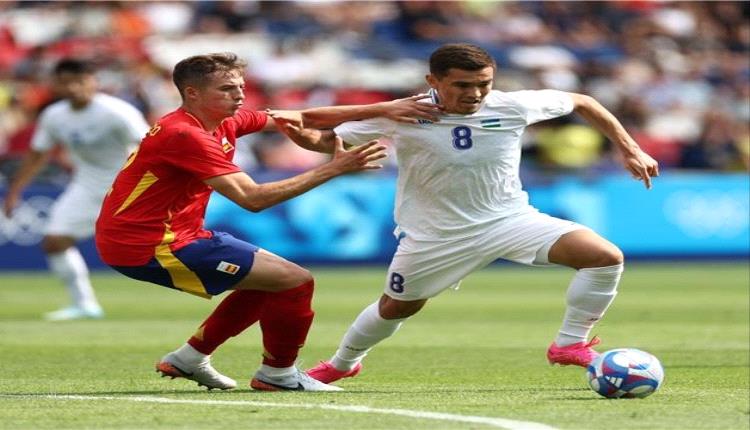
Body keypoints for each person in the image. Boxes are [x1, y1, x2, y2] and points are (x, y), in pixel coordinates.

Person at [278, 43, 660, 385]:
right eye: (462, 85)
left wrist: (630, 149)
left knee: (604, 257)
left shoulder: (512, 105)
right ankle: (343, 363)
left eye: (483, 84)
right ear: (433, 81)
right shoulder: (403, 113)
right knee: (395, 307)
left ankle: (569, 344)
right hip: (435, 235)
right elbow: (326, 140)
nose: (475, 93)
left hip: (509, 219)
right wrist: (300, 135)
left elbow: (583, 102)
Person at [94, 52, 442, 392]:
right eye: (227, 89)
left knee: (271, 281)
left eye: (241, 87)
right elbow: (253, 198)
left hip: (174, 233)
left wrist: (384, 108)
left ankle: (189, 358)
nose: (239, 95)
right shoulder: (185, 135)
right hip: (147, 244)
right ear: (192, 93)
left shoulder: (224, 121)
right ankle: (278, 374)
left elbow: (302, 117)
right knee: (295, 281)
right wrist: (334, 169)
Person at [3, 59, 150, 321]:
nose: (73, 88)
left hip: (127, 189)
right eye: (66, 82)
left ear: (94, 81)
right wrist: (15, 191)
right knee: (55, 241)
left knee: (158, 248)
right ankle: (84, 305)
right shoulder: (54, 115)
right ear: (56, 85)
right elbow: (37, 154)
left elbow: (152, 146)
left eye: (79, 81)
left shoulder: (118, 112)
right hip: (86, 186)